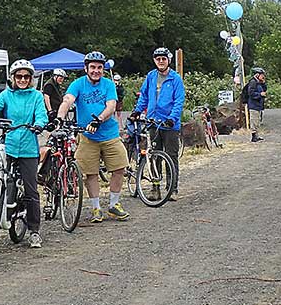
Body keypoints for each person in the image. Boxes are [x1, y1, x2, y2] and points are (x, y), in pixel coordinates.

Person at [0, 59, 48, 249]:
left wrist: (39, 124)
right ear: (12, 77)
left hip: (29, 148)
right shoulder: (6, 95)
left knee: (31, 190)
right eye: (19, 76)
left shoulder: (36, 96)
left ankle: (34, 231)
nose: (22, 79)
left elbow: (42, 115)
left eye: (26, 76)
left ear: (30, 79)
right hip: (9, 144)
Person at [54, 51, 129, 223]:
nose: (96, 70)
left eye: (99, 68)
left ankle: (114, 204)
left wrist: (99, 120)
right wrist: (59, 118)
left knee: (119, 167)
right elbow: (67, 101)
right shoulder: (78, 84)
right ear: (86, 68)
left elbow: (111, 106)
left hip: (109, 134)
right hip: (87, 136)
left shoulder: (109, 84)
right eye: (93, 67)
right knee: (90, 173)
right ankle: (96, 208)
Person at [132, 48, 186, 199]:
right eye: (158, 59)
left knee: (171, 156)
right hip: (153, 122)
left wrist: (172, 118)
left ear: (168, 60)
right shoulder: (151, 76)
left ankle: (172, 188)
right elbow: (144, 96)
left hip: (169, 123)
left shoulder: (175, 78)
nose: (160, 61)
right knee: (154, 156)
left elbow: (179, 101)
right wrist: (137, 111)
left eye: (163, 59)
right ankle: (155, 188)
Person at [247, 67, 267, 142]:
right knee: (254, 121)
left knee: (258, 121)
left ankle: (257, 135)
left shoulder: (259, 82)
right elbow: (251, 93)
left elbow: (265, 89)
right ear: (257, 74)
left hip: (259, 105)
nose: (263, 76)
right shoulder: (253, 82)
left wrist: (263, 83)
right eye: (262, 75)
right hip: (253, 105)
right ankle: (253, 136)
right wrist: (260, 94)